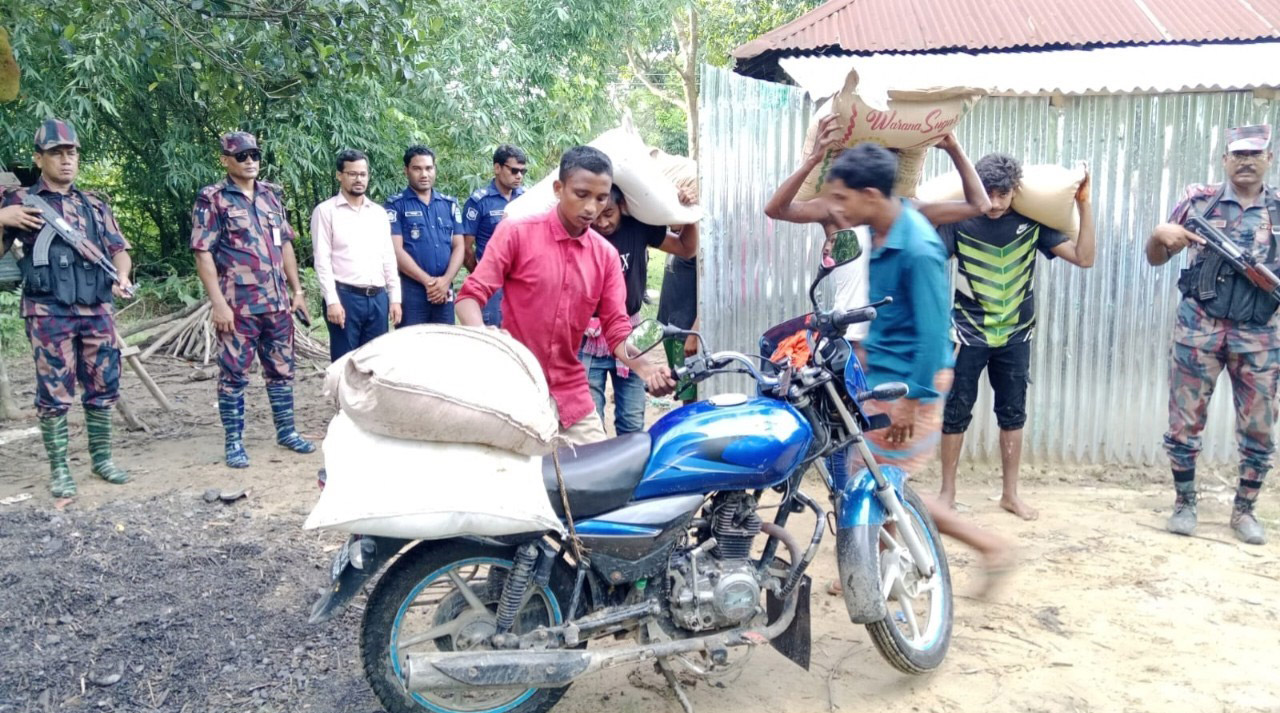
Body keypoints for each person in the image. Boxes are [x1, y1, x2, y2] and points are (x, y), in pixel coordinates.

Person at [822, 143, 1010, 591]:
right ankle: (870, 569)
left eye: (842, 198)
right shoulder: (887, 233)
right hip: (886, 378)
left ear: (870, 194)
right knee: (866, 477)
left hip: (911, 384)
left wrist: (911, 400)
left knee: (885, 484)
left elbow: (930, 332)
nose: (836, 208)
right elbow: (889, 316)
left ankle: (990, 547)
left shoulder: (918, 247)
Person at [456, 146, 675, 445]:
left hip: (570, 391)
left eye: (600, 198)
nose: (591, 208)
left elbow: (617, 329)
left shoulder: (605, 257)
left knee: (600, 477)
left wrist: (646, 368)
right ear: (559, 189)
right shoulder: (516, 233)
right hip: (515, 384)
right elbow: (470, 295)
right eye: (581, 194)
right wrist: (483, 335)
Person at [937, 154, 1096, 521]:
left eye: (1002, 194)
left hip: (1015, 335)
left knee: (1012, 414)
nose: (993, 203)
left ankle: (1010, 495)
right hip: (966, 335)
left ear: (1014, 192)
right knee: (955, 412)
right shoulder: (960, 221)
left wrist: (1084, 205)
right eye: (987, 193)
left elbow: (1085, 258)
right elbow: (926, 261)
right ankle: (947, 492)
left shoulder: (1034, 222)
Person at [1146, 124, 1278, 545]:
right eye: (1238, 154)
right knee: (1184, 425)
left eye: (1254, 154)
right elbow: (1155, 258)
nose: (1245, 161)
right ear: (1225, 159)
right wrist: (1159, 236)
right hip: (1198, 331)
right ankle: (1184, 503)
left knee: (1258, 428)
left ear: (1268, 160)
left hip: (1258, 337)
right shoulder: (1198, 202)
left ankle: (1245, 511)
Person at [766, 117, 990, 346]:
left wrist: (954, 148)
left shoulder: (909, 210)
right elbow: (776, 209)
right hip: (848, 340)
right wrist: (813, 160)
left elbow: (980, 206)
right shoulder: (836, 210)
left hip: (894, 345)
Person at [0, 119, 134, 498]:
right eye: (56, 153)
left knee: (103, 384)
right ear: (39, 158)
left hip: (96, 308)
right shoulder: (18, 201)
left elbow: (119, 251)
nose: (65, 160)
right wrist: (2, 219)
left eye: (70, 152)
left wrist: (121, 276)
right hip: (48, 311)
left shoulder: (94, 204)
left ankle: (102, 459)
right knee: (54, 390)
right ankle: (60, 469)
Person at [191, 131, 314, 469]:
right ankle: (234, 441)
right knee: (233, 373)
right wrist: (218, 303)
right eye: (242, 156)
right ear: (225, 160)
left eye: (254, 155)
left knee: (282, 370)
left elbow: (285, 244)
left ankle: (286, 431)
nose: (250, 162)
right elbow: (203, 253)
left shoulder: (272, 196)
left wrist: (298, 291)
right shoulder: (213, 198)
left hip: (276, 303)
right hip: (238, 306)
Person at [580, 185, 698, 434]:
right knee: (589, 424)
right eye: (597, 215)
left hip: (631, 333)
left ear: (622, 205)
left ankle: (630, 473)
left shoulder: (638, 228)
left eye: (609, 212)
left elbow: (686, 249)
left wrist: (687, 214)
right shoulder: (580, 233)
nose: (602, 223)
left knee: (632, 422)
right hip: (588, 337)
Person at [311, 149, 402, 361]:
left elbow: (388, 257)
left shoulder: (378, 213)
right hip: (345, 297)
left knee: (375, 362)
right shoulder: (326, 212)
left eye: (363, 174)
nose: (359, 179)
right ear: (339, 175)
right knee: (345, 363)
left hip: (378, 298)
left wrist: (395, 298)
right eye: (352, 174)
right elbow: (322, 260)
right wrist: (332, 300)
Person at [385, 146, 464, 326]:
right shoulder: (395, 205)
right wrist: (428, 282)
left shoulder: (449, 204)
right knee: (412, 349)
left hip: (444, 290)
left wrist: (446, 281)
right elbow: (395, 250)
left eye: (429, 168)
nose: (424, 174)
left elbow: (459, 246)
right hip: (412, 291)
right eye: (417, 168)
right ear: (406, 171)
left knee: (444, 345)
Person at [462, 144, 527, 327]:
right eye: (514, 170)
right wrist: (481, 274)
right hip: (492, 286)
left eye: (523, 171)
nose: (519, 176)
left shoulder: (526, 199)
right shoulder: (479, 201)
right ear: (497, 168)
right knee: (492, 335)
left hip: (521, 282)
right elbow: (465, 247)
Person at [656, 255, 699, 405]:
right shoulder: (675, 238)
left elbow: (710, 293)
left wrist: (694, 335)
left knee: (690, 393)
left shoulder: (699, 245)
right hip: (671, 328)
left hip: (686, 334)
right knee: (683, 390)